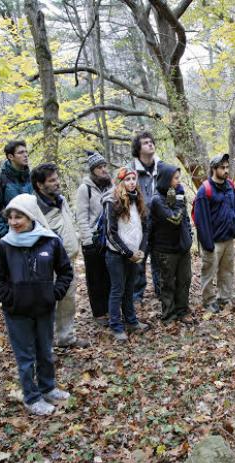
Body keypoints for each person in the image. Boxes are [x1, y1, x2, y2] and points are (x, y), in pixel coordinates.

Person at [0, 194, 73, 415]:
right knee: (25, 357)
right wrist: (12, 298)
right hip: (17, 313)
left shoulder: (50, 240)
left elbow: (65, 271)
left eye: (19, 217)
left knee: (45, 351)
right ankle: (31, 397)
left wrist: (54, 294)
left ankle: (48, 388)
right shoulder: (5, 245)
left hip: (44, 309)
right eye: (10, 217)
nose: (13, 222)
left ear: (31, 216)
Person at [31, 163, 88, 349]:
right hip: (46, 266)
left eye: (57, 178)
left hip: (67, 262)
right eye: (52, 180)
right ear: (40, 185)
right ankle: (44, 347)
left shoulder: (60, 199)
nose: (57, 183)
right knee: (47, 305)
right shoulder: (33, 208)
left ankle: (66, 338)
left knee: (68, 300)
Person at [102, 166, 150, 340]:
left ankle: (131, 321)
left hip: (134, 254)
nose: (131, 183)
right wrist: (127, 252)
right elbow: (111, 233)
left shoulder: (138, 200)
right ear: (120, 182)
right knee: (117, 290)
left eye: (133, 179)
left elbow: (145, 229)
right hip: (116, 254)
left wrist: (141, 250)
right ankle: (116, 326)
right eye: (127, 179)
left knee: (130, 289)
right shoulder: (112, 201)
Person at [194, 153, 235, 313]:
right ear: (214, 169)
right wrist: (207, 243)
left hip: (228, 238)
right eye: (222, 168)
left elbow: (234, 210)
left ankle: (224, 298)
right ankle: (208, 301)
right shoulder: (205, 190)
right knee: (209, 272)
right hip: (213, 241)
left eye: (227, 167)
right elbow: (201, 220)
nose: (226, 170)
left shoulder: (230, 185)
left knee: (227, 271)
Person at [150, 164, 192, 323]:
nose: (178, 181)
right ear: (167, 180)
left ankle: (182, 311)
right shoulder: (157, 199)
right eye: (175, 178)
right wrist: (181, 202)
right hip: (165, 249)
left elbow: (184, 219)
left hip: (182, 247)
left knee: (185, 280)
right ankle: (169, 315)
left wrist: (189, 236)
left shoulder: (175, 193)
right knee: (168, 283)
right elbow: (174, 219)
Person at [76, 152, 112, 325]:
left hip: (110, 239)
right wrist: (88, 240)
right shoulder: (85, 188)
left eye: (104, 166)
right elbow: (81, 217)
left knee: (109, 276)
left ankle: (110, 308)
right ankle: (99, 313)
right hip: (93, 240)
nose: (103, 169)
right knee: (95, 278)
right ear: (92, 170)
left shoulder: (110, 186)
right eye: (99, 167)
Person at [131, 131, 164, 302]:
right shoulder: (131, 171)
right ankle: (136, 296)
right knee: (139, 261)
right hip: (139, 224)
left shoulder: (162, 168)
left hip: (160, 224)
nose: (150, 144)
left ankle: (161, 291)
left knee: (159, 259)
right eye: (145, 143)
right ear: (138, 148)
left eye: (151, 142)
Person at [0, 140, 33, 238]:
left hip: (35, 233)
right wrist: (6, 235)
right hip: (14, 236)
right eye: (20, 152)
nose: (26, 155)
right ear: (11, 157)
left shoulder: (32, 177)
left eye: (26, 151)